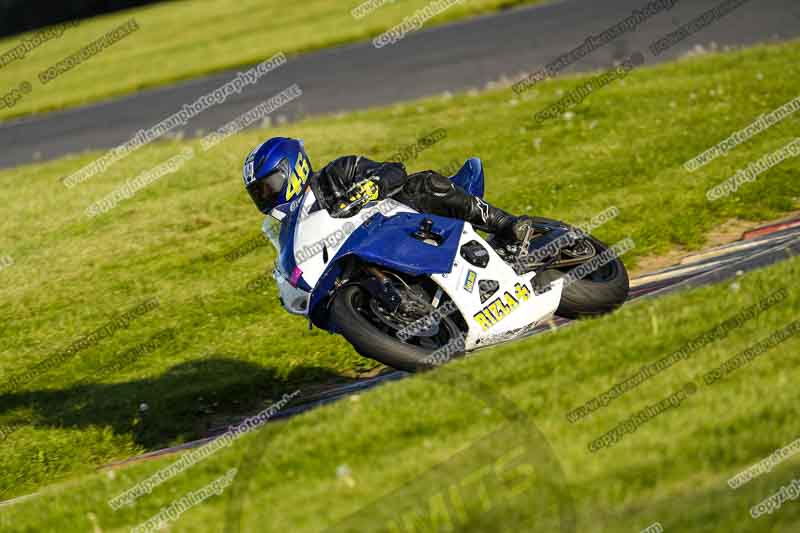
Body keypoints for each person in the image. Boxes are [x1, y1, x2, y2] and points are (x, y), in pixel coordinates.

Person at [243, 136, 532, 241]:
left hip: (405, 220)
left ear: (291, 168)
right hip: (372, 249)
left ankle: (506, 224)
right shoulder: (290, 228)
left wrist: (373, 187)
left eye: (267, 187)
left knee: (424, 183)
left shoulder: (339, 172)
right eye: (258, 193)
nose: (265, 196)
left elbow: (395, 171)